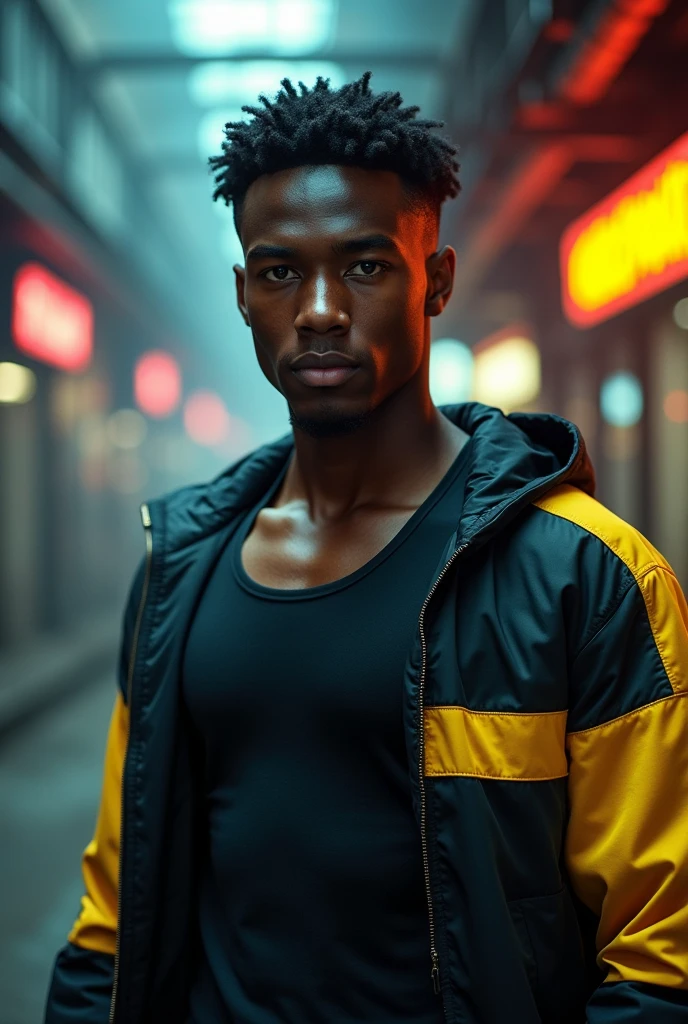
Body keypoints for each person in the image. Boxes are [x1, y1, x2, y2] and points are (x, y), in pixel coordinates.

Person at [44, 72, 688, 1024]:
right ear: (242, 296)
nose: (317, 309)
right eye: (278, 272)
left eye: (364, 265)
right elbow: (115, 912)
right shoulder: (181, 570)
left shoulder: (584, 572)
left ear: (436, 280)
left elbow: (660, 959)